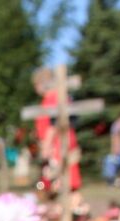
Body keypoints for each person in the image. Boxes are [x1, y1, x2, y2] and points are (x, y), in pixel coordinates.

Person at [33, 68, 83, 209]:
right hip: (59, 144)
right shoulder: (56, 97)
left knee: (61, 182)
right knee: (55, 182)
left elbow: (53, 125)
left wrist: (47, 146)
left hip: (58, 145)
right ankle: (66, 211)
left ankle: (70, 212)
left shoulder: (54, 97)